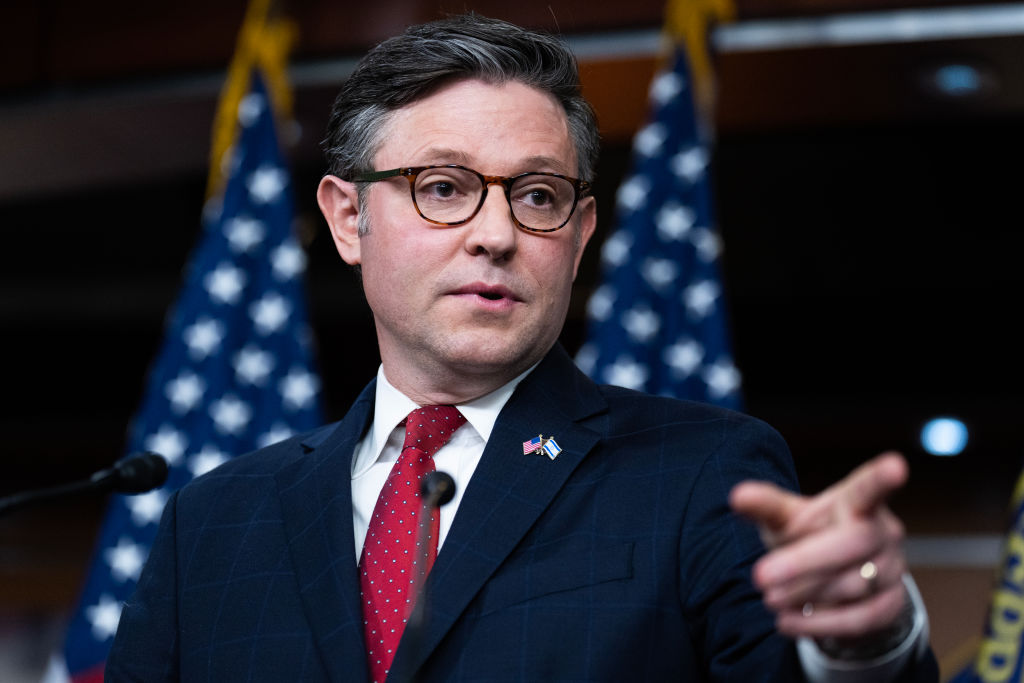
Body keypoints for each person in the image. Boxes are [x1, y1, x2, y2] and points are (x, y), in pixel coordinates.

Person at [107, 13, 938, 682]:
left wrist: (864, 641)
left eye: (538, 195)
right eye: (443, 188)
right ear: (347, 218)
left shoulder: (700, 473)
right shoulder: (212, 521)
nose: (496, 235)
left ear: (579, 236)